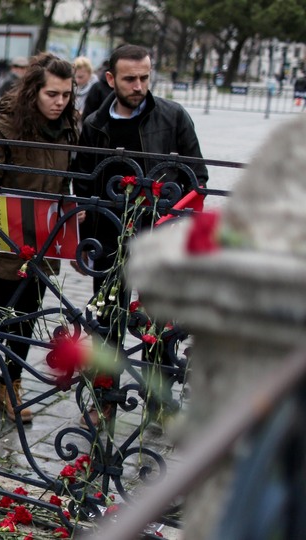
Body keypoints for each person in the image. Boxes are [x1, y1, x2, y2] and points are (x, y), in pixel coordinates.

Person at [72, 44, 207, 425]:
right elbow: (83, 182)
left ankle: (159, 402)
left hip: (159, 237)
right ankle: (104, 400)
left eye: (145, 77)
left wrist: (172, 215)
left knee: (159, 324)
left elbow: (198, 177)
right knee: (107, 322)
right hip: (108, 238)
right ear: (111, 79)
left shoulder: (173, 116)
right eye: (130, 78)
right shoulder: (96, 123)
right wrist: (85, 235)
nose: (139, 85)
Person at [0, 53, 80, 423]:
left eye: (66, 94)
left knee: (27, 318)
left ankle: (8, 384)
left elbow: (69, 180)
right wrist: (8, 218)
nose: (59, 102)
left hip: (47, 241)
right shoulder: (7, 125)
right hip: (7, 241)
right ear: (34, 91)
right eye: (52, 94)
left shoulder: (69, 127)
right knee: (8, 316)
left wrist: (72, 206)